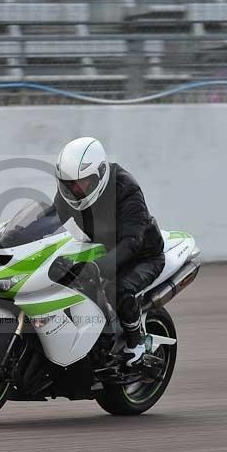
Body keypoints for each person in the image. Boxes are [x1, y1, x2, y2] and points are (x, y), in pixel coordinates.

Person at [53, 137, 165, 367]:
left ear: (100, 174)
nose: (74, 190)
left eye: (81, 183)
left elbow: (133, 240)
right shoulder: (67, 196)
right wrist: (20, 234)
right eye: (69, 185)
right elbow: (50, 219)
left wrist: (100, 266)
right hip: (102, 248)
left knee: (117, 288)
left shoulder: (126, 189)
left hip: (142, 255)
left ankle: (136, 344)